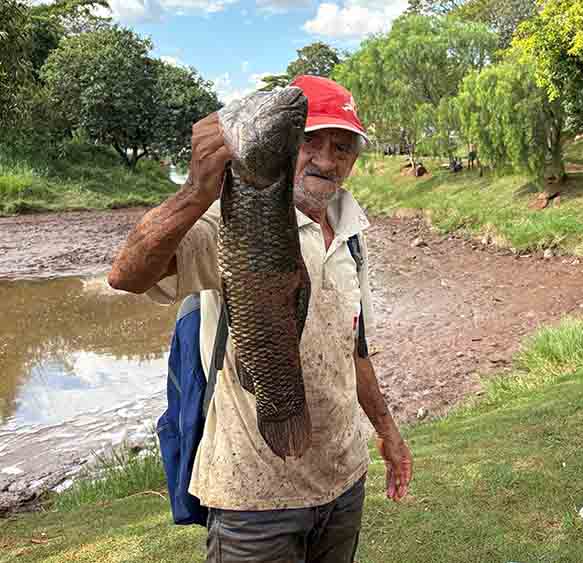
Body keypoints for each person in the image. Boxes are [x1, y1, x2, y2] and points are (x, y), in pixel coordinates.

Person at [108, 75, 413, 563]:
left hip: (344, 480)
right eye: (310, 141)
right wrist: (194, 191)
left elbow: (353, 348)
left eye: (342, 146)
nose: (327, 159)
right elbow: (126, 275)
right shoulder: (230, 220)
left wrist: (388, 434)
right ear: (285, 145)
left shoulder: (353, 233)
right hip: (253, 496)